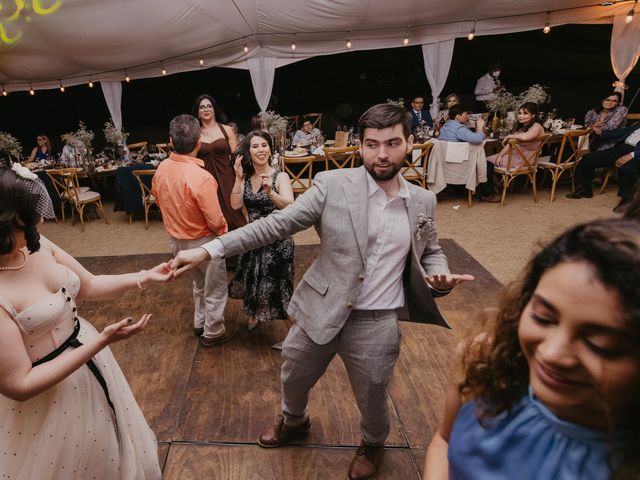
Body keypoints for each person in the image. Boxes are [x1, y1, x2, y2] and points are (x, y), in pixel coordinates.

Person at [170, 103, 474, 480]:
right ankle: (294, 422)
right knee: (293, 376)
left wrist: (438, 276)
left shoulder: (423, 202)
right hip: (320, 306)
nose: (382, 154)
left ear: (409, 143)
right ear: (360, 147)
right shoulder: (331, 185)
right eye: (372, 144)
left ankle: (373, 443)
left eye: (392, 143)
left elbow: (432, 251)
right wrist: (210, 248)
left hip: (377, 319)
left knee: (375, 395)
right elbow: (275, 226)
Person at [424, 218, 640, 480]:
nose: (551, 354)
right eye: (543, 317)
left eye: (599, 344)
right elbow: (444, 442)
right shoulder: (483, 360)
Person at [0, 167, 172, 479]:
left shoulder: (38, 246)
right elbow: (18, 385)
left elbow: (89, 285)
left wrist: (146, 276)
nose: (41, 214)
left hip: (94, 369)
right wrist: (100, 342)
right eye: (31, 208)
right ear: (9, 217)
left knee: (109, 452)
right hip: (48, 400)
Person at [151, 114, 234, 347]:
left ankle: (200, 323)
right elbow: (215, 219)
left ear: (170, 141)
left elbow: (157, 200)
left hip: (176, 242)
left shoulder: (162, 168)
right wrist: (224, 236)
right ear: (199, 143)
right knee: (215, 289)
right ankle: (213, 331)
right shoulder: (202, 177)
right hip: (204, 243)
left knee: (198, 285)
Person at [228, 130, 294, 333]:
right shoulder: (246, 178)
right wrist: (238, 179)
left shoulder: (280, 176)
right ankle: (256, 313)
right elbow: (235, 205)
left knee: (276, 284)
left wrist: (270, 192)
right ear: (249, 152)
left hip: (277, 240)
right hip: (254, 238)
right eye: (255, 146)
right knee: (253, 279)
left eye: (264, 145)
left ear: (270, 149)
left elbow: (290, 207)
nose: (261, 150)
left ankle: (293, 330)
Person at [193, 94, 247, 232]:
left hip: (227, 176)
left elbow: (236, 156)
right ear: (198, 112)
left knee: (233, 213)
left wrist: (239, 178)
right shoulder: (195, 134)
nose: (206, 109)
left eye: (209, 106)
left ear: (214, 109)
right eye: (202, 107)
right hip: (205, 180)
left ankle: (241, 248)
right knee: (212, 215)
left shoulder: (227, 130)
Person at [567, 121, 640, 213]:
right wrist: (602, 133)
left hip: (637, 154)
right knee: (588, 158)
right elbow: (625, 130)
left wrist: (632, 155)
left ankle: (628, 200)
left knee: (627, 169)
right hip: (623, 148)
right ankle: (585, 189)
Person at [438, 105, 498, 202]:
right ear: (458, 116)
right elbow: (478, 139)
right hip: (461, 165)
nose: (468, 116)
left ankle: (458, 189)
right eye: (466, 114)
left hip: (447, 164)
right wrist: (479, 127)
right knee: (488, 165)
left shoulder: (445, 126)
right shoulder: (459, 129)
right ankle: (487, 194)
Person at [486, 101, 545, 169]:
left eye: (525, 113)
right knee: (485, 161)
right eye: (519, 113)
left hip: (525, 161)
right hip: (516, 157)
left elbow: (525, 137)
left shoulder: (536, 127)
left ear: (533, 115)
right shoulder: (523, 129)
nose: (521, 116)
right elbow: (510, 144)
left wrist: (509, 136)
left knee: (485, 163)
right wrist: (500, 155)